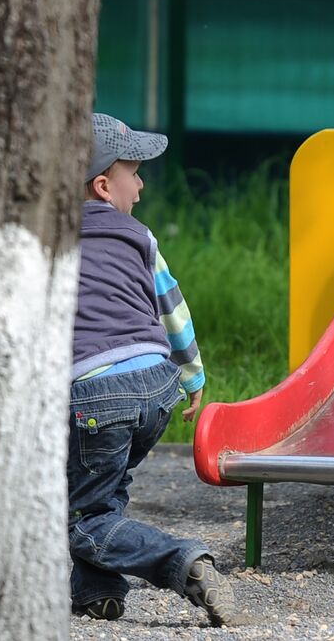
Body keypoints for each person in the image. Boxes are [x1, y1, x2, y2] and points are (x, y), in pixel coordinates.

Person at [69, 113, 234, 625]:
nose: (140, 187)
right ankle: (99, 593)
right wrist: (193, 378)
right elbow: (172, 308)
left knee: (79, 516)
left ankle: (181, 561)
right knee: (101, 488)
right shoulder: (139, 236)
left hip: (98, 391)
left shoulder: (45, 239)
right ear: (102, 185)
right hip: (158, 385)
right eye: (134, 174)